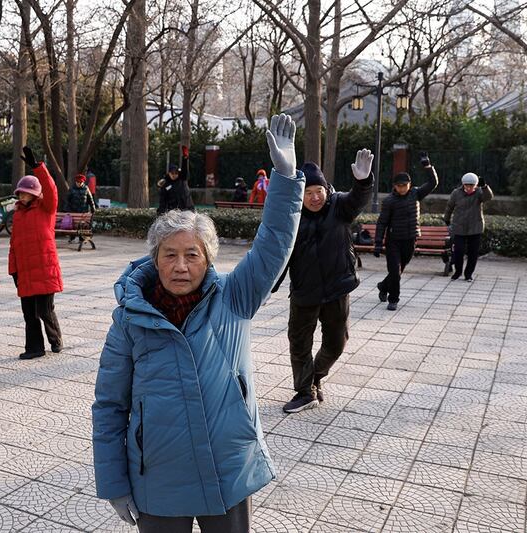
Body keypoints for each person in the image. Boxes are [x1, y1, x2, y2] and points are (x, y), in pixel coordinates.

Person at [92, 114, 304, 532]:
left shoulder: (234, 296)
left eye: (192, 254)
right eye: (170, 254)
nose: (181, 265)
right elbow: (109, 406)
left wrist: (286, 177)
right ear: (155, 260)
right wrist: (113, 482)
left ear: (209, 259)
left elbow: (273, 245)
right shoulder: (130, 319)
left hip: (227, 470)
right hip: (158, 478)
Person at [274, 151, 374, 414]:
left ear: (326, 190)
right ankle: (305, 391)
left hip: (336, 289)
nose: (314, 197)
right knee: (299, 342)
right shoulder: (292, 216)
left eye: (318, 190)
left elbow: (357, 200)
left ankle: (315, 376)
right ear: (301, 195)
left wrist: (363, 182)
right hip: (304, 291)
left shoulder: (339, 206)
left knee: (336, 343)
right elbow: (278, 249)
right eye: (308, 192)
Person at [8, 147, 63, 360]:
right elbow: (14, 245)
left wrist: (37, 167)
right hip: (25, 273)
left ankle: (55, 340)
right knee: (29, 314)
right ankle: (34, 348)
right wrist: (13, 270)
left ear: (33, 194)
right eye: (20, 192)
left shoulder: (46, 209)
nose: (22, 196)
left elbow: (51, 188)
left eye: (25, 192)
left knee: (45, 311)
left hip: (44, 270)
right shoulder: (18, 216)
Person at [374, 152, 438, 310]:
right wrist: (377, 242)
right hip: (394, 241)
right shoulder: (389, 201)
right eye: (399, 185)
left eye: (404, 185)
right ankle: (393, 299)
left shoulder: (416, 194)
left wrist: (427, 166)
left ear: (409, 184)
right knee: (395, 271)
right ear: (395, 186)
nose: (402, 188)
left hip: (410, 239)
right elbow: (382, 222)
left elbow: (433, 183)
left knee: (399, 270)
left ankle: (383, 286)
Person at [443, 172, 493, 281]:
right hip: (459, 226)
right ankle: (458, 272)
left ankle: (468, 274)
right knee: (458, 251)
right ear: (463, 184)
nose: (469, 188)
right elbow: (449, 206)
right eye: (467, 185)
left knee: (473, 253)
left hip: (475, 227)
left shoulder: (479, 193)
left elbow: (489, 197)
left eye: (472, 185)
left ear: (476, 185)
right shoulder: (456, 193)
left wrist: (485, 187)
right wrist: (446, 219)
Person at [157, 146, 194, 214]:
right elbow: (163, 200)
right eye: (172, 173)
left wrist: (185, 158)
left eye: (176, 173)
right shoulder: (165, 184)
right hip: (173, 213)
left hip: (187, 210)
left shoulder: (182, 179)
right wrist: (160, 212)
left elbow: (185, 171)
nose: (174, 175)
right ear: (169, 173)